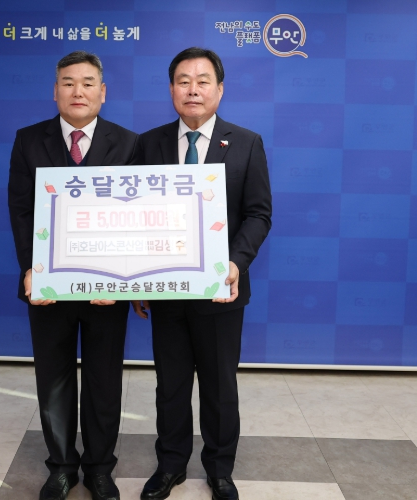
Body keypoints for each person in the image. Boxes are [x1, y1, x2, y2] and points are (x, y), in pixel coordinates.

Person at [132, 47, 272, 500]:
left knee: (219, 386)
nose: (193, 89)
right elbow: (134, 216)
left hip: (220, 290)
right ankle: (170, 465)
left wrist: (235, 262)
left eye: (203, 80)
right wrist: (135, 278)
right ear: (172, 89)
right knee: (170, 385)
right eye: (183, 81)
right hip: (166, 289)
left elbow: (258, 214)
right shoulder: (148, 144)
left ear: (220, 89)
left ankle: (219, 468)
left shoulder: (246, 143)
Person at [8, 51, 141, 500]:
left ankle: (100, 468)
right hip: (50, 287)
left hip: (107, 288)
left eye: (87, 83)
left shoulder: (129, 143)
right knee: (54, 379)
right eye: (68, 83)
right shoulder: (29, 140)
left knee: (104, 380)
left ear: (103, 92)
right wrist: (31, 271)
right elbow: (21, 211)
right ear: (55, 92)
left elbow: (137, 217)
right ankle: (62, 466)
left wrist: (122, 279)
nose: (77, 91)